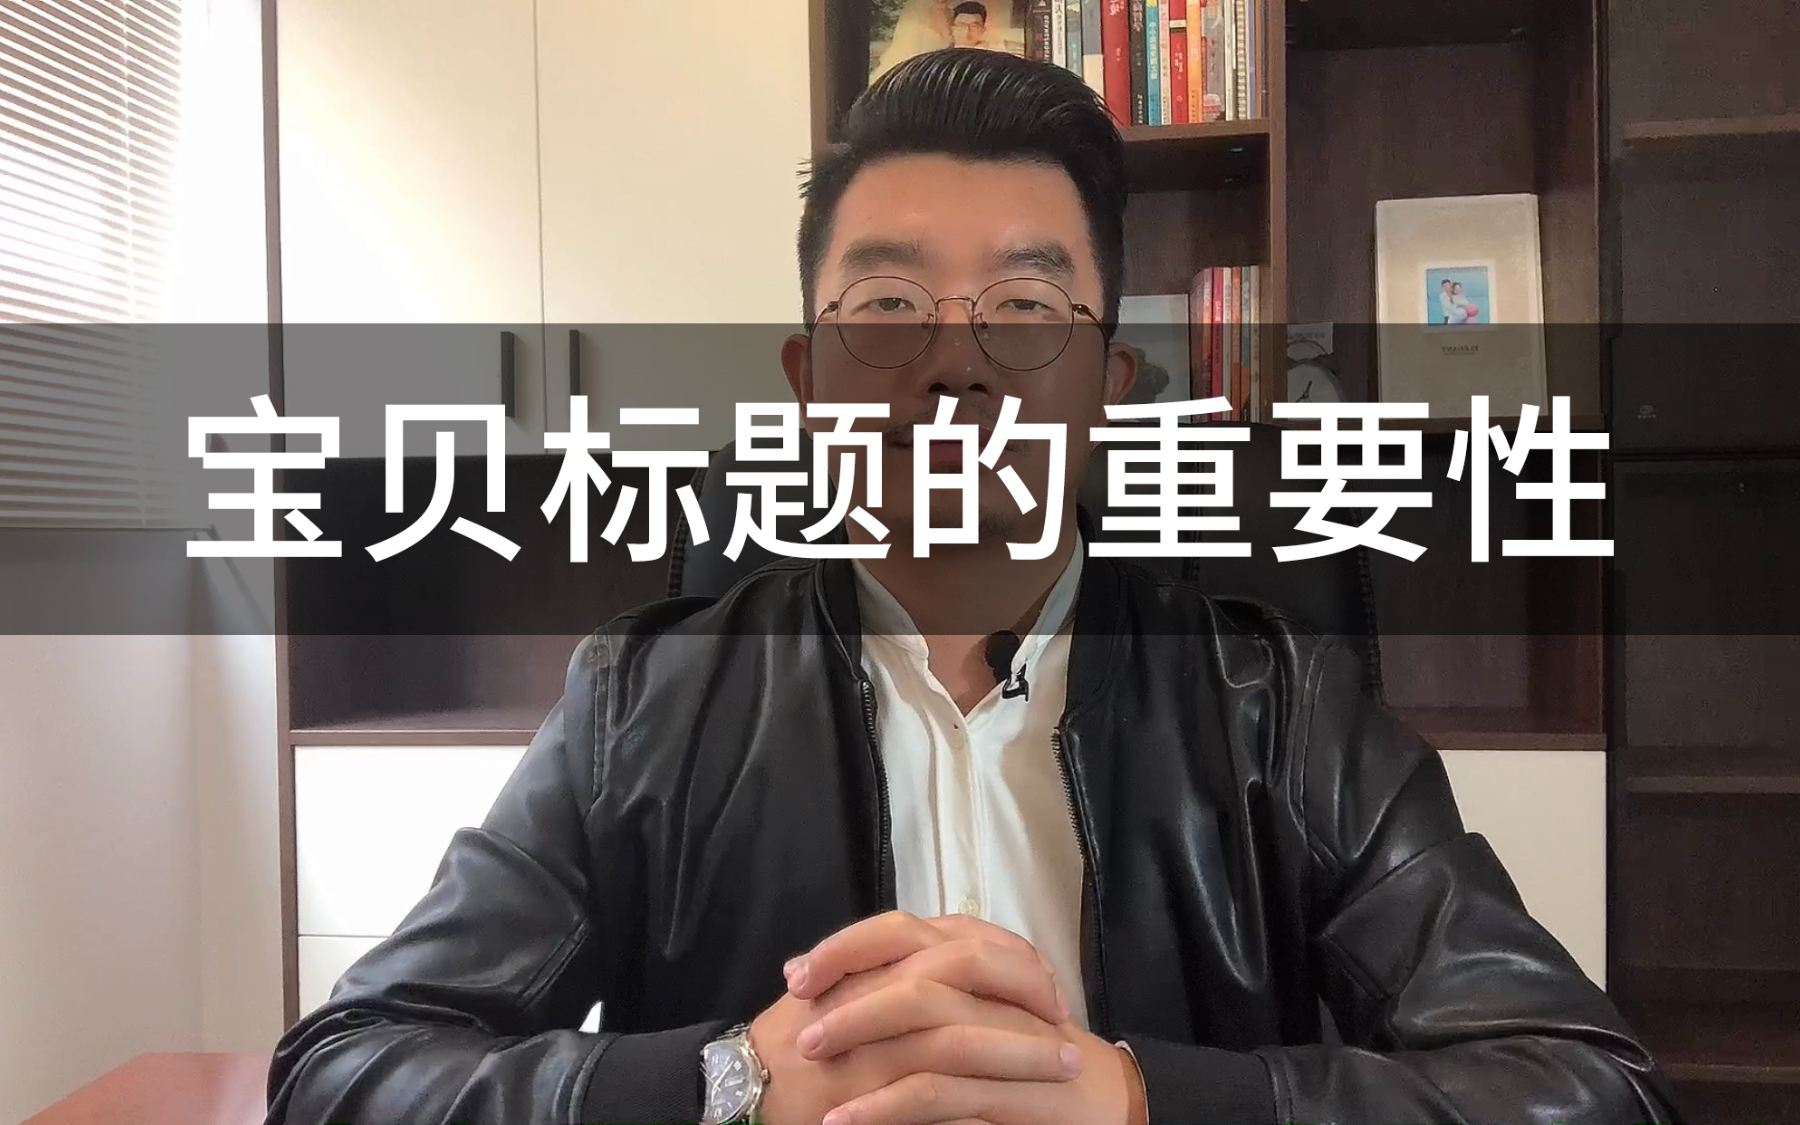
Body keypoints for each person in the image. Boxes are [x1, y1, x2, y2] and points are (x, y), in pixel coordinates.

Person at [266, 49, 1679, 1125]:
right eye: (888, 306)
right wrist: (732, 1083)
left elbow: (1584, 1081)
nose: (954, 365)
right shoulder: (642, 700)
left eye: (1024, 308)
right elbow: (345, 1070)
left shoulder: (1282, 706)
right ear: (808, 382)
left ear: (1108, 388)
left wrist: (1141, 1100)